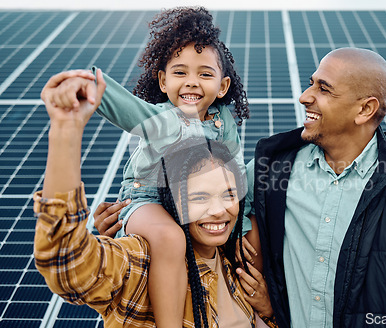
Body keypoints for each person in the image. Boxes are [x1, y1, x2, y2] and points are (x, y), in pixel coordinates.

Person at [43, 7, 250, 328]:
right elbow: (132, 113)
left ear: (222, 87)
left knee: (249, 224)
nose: (192, 82)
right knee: (169, 240)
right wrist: (93, 87)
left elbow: (237, 170)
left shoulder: (224, 124)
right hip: (146, 200)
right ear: (163, 82)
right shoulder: (166, 120)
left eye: (205, 74)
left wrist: (243, 218)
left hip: (192, 204)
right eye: (180, 73)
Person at [241, 48, 386, 327]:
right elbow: (201, 208)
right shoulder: (270, 169)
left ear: (365, 109)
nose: (304, 97)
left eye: (324, 89)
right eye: (311, 83)